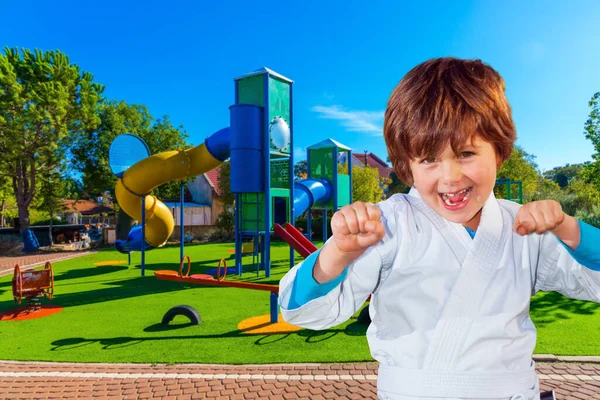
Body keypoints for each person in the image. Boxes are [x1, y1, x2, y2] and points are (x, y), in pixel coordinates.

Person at [278, 57, 600, 400]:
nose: (449, 177)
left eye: (465, 153)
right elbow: (303, 312)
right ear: (407, 165)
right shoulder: (387, 224)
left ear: (499, 152)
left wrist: (568, 228)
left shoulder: (522, 227)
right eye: (429, 158)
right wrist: (339, 253)